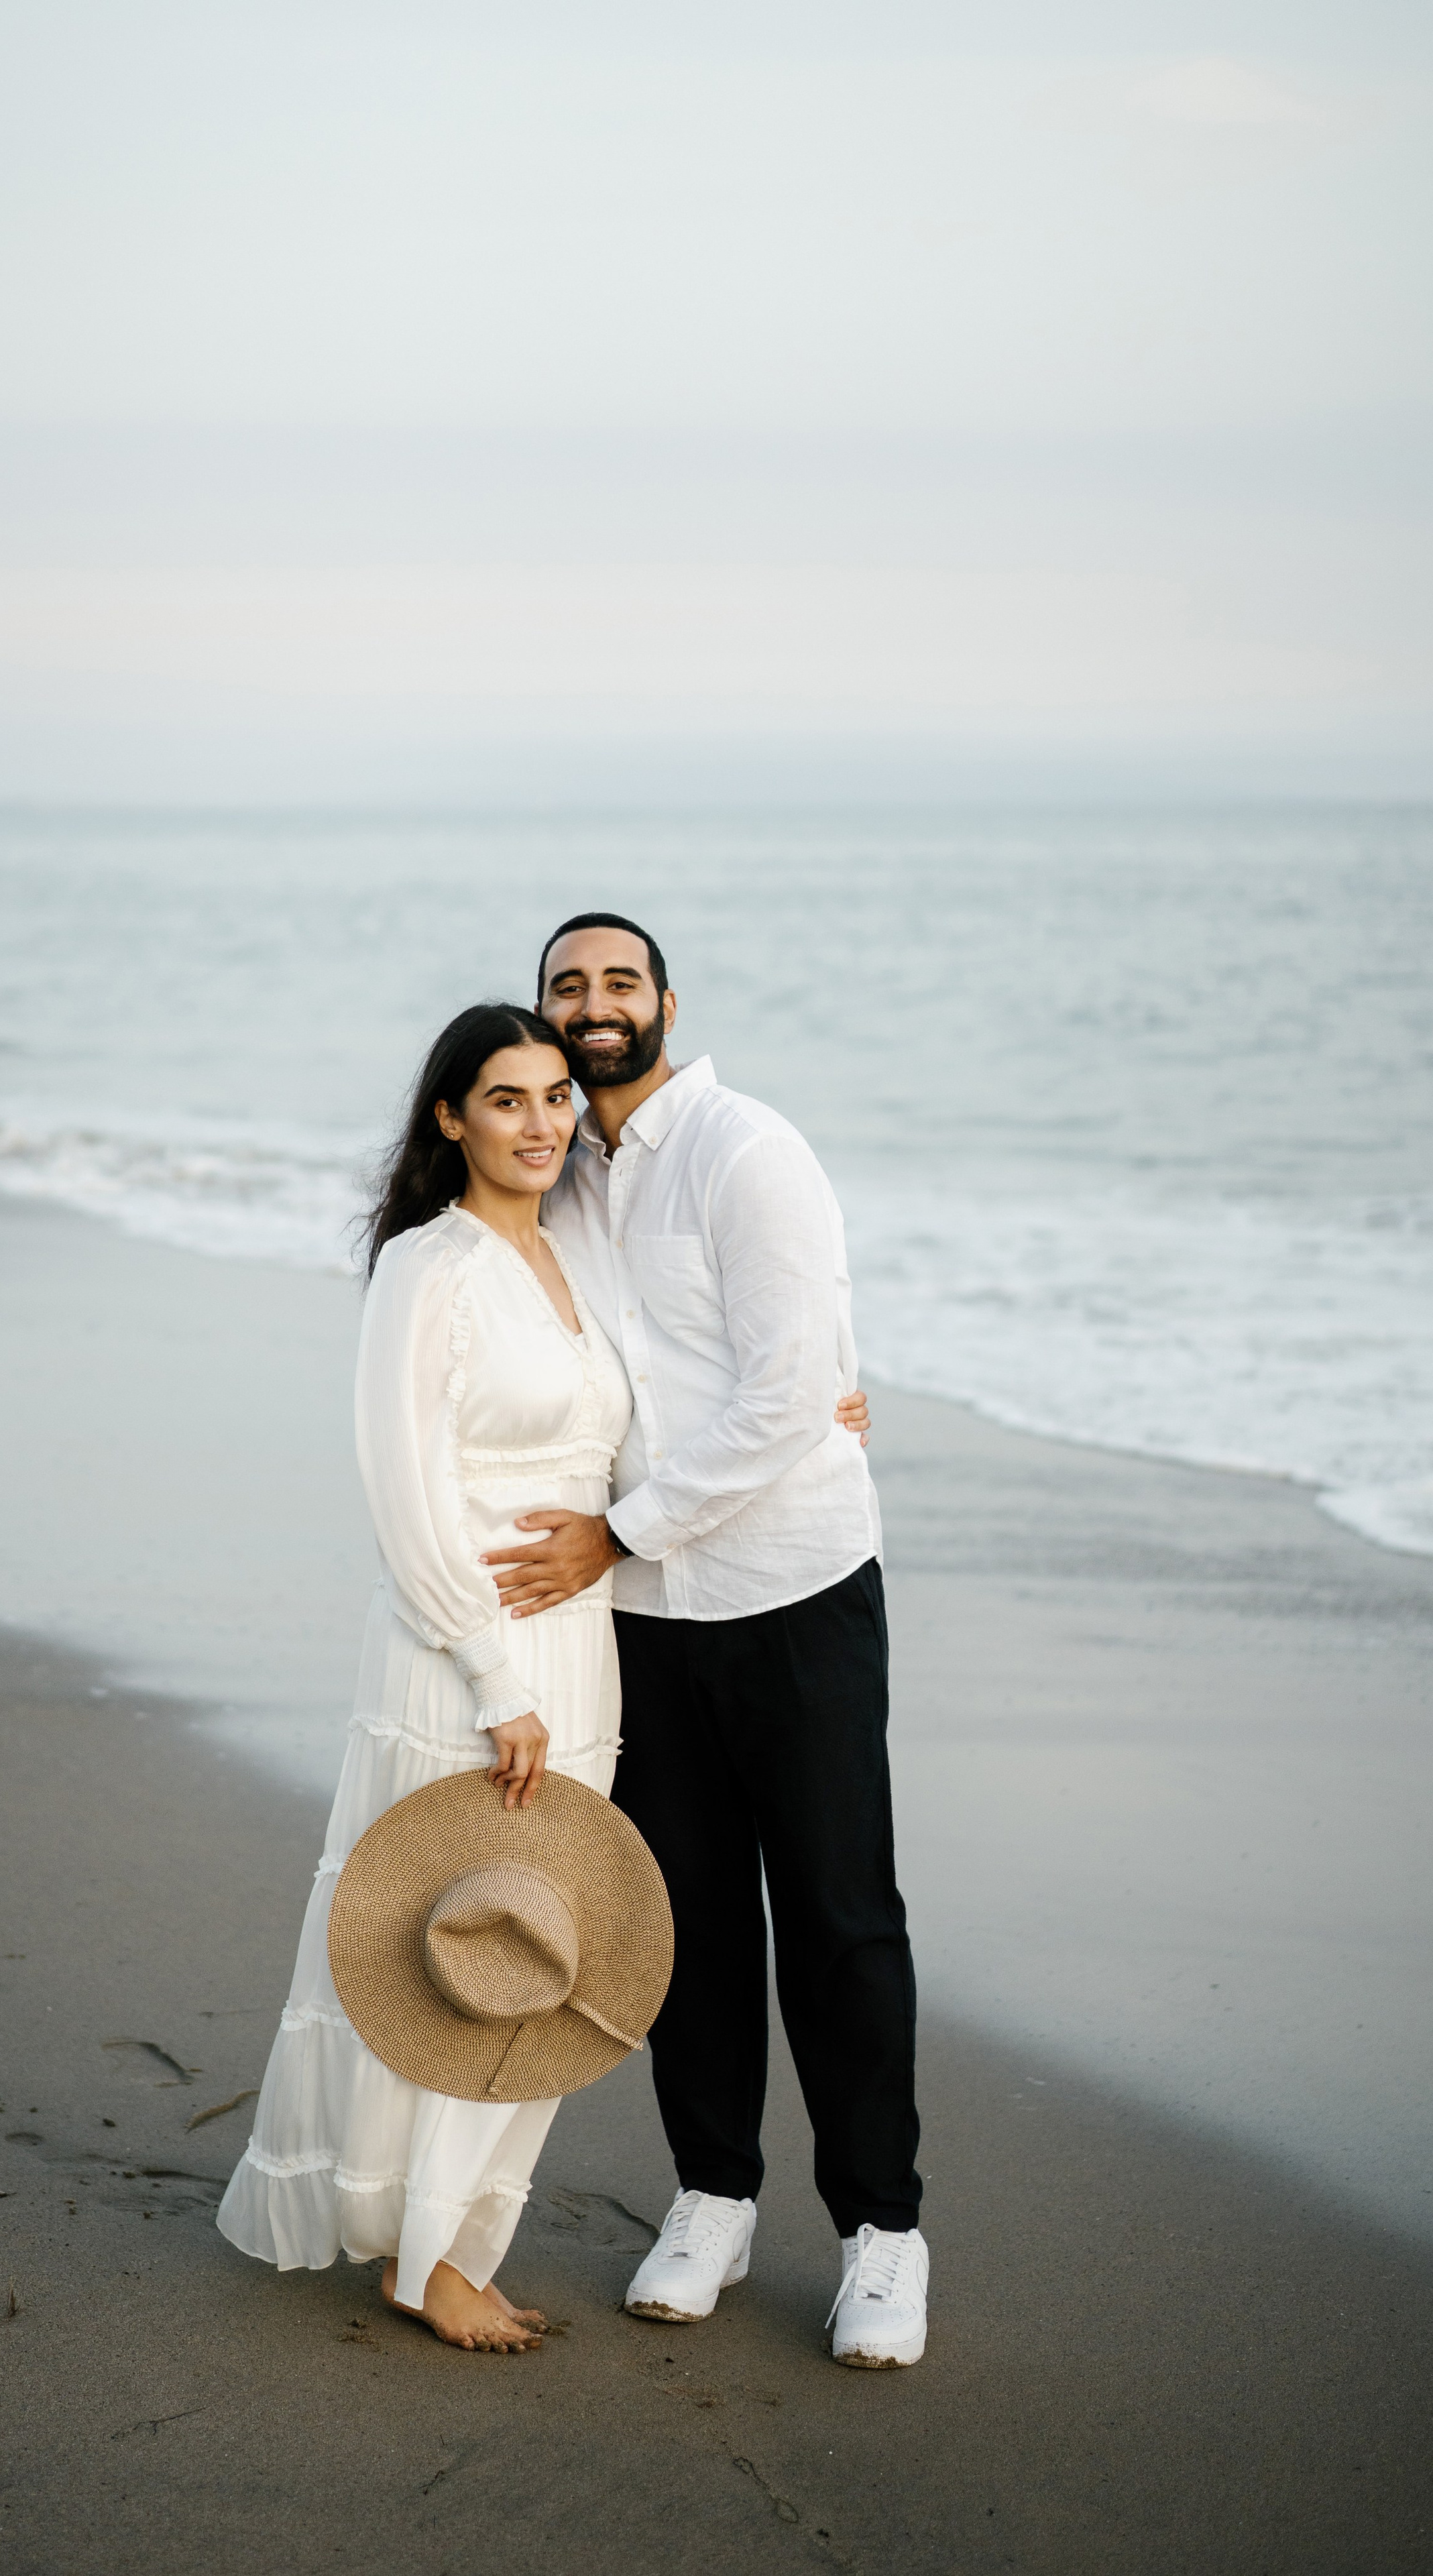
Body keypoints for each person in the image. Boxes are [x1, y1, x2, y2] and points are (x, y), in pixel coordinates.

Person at [217, 996, 871, 2356]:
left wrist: (837, 1390)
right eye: (503, 1099)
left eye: (552, 1098)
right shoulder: (428, 1265)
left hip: (588, 1641)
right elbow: (402, 1492)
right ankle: (421, 2254)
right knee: (447, 1934)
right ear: (447, 1117)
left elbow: (734, 1347)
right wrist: (486, 1672)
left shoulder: (572, 1250)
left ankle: (454, 2234)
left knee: (537, 1941)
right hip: (469, 1647)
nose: (537, 1122)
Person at [479, 913, 929, 2369]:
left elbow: (792, 1385)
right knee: (678, 1927)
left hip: (791, 1591)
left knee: (839, 1920)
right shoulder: (561, 1174)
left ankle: (881, 2234)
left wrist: (621, 1528)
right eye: (568, 987)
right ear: (543, 1014)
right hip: (643, 1625)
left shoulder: (747, 1150)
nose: (594, 1005)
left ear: (666, 1001)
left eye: (618, 981)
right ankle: (712, 2197)